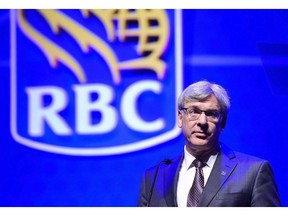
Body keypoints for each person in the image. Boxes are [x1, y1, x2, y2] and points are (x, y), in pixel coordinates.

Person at [137, 80, 281, 207]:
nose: (202, 122)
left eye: (211, 114)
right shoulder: (154, 177)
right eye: (194, 111)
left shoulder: (253, 172)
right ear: (180, 118)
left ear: (222, 122)